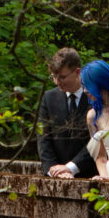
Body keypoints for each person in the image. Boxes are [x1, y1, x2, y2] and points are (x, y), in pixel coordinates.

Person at [37, 48, 96, 179]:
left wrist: (71, 167)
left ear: (77, 72)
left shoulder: (95, 97)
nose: (57, 82)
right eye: (54, 76)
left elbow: (98, 140)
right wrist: (52, 169)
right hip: (56, 177)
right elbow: (43, 138)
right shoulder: (48, 98)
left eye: (62, 77)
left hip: (92, 175)